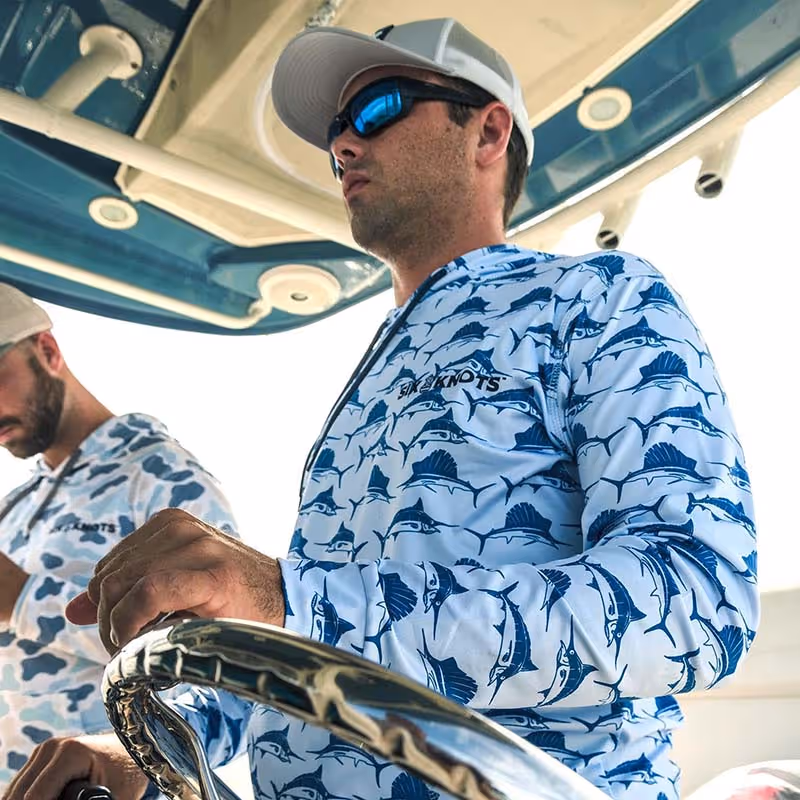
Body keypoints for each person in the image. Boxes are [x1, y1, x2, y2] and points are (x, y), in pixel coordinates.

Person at [5, 17, 759, 800]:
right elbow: (305, 641)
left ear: (489, 131)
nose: (343, 146)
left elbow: (695, 603)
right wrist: (150, 744)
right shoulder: (364, 390)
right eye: (335, 131)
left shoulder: (600, 298)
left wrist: (293, 600)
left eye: (377, 110)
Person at [0, 283, 237, 790]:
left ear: (47, 351)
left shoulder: (162, 475)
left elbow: (212, 658)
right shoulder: (13, 508)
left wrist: (23, 598)